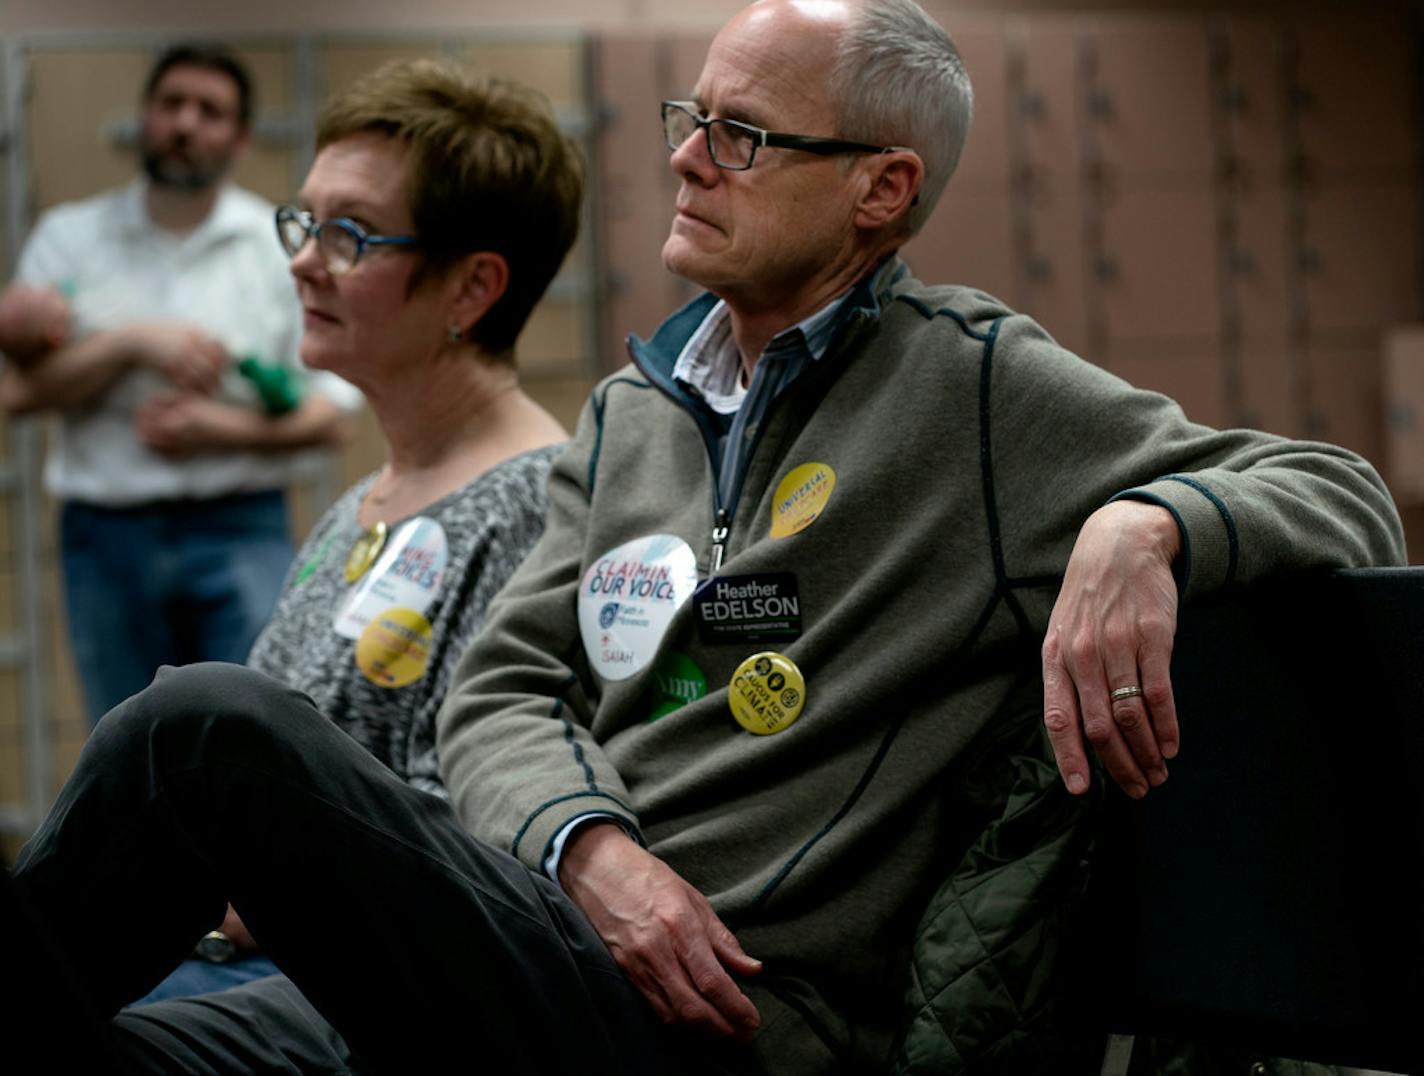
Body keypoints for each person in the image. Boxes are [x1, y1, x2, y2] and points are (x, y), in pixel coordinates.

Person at [4, 2, 1405, 1073]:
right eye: (696, 114)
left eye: (743, 134)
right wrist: (589, 850)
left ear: (880, 190)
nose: (684, 155)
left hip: (722, 1015)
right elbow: (501, 691)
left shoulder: (974, 387)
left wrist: (1143, 518)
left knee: (202, 730)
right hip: (543, 929)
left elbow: (1336, 489)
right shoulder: (635, 410)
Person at [129, 56, 579, 1004]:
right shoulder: (359, 503)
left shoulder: (534, 502)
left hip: (356, 990)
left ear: (471, 290)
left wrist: (238, 890)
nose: (301, 259)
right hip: (246, 948)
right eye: (306, 221)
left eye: (350, 234)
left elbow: (467, 839)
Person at [0, 43, 362, 725]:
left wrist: (216, 429)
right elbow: (16, 395)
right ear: (144, 117)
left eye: (210, 111)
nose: (186, 124)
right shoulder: (70, 237)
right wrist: (133, 344)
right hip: (106, 536)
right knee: (125, 746)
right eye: (171, 105)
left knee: (253, 739)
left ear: (240, 137)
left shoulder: (276, 248)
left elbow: (334, 416)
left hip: (240, 523)